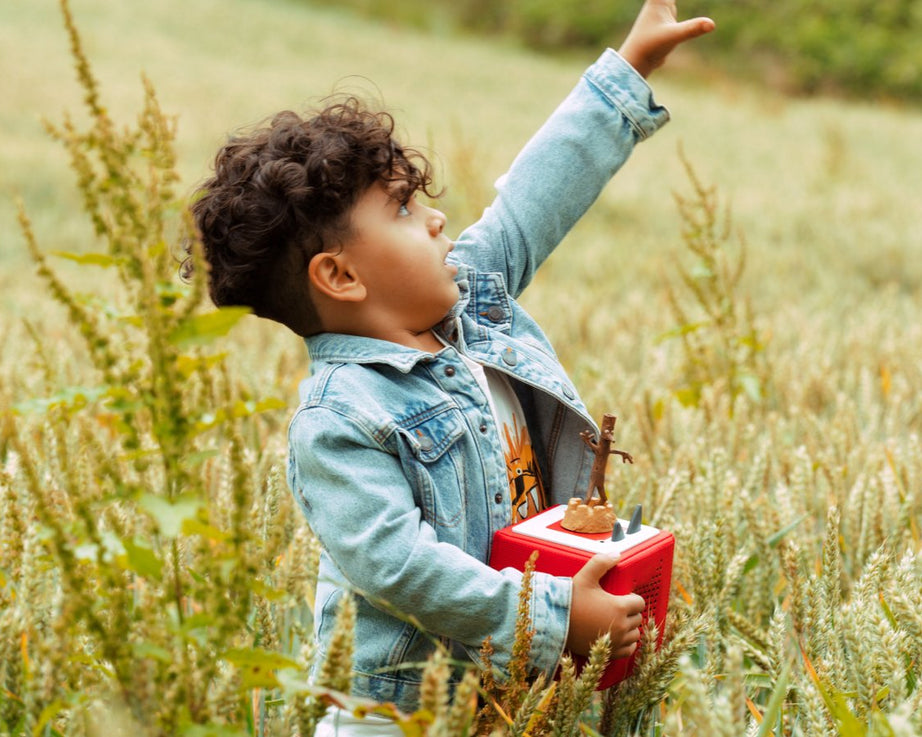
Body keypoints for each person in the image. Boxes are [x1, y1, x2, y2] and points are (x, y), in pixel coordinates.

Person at [191, 1, 714, 732]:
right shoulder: (339, 419)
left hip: (514, 698)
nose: (437, 218)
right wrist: (553, 616)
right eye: (403, 210)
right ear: (340, 276)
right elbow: (401, 567)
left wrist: (630, 69)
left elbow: (533, 201)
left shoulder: (470, 301)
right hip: (399, 717)